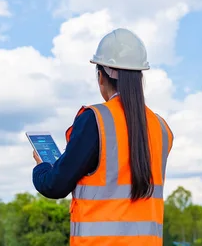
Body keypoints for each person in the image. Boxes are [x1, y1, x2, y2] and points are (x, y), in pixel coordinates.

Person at [32, 28, 174, 245]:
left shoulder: (94, 120)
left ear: (101, 76)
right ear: (139, 78)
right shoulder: (162, 128)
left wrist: (42, 168)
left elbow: (55, 185)